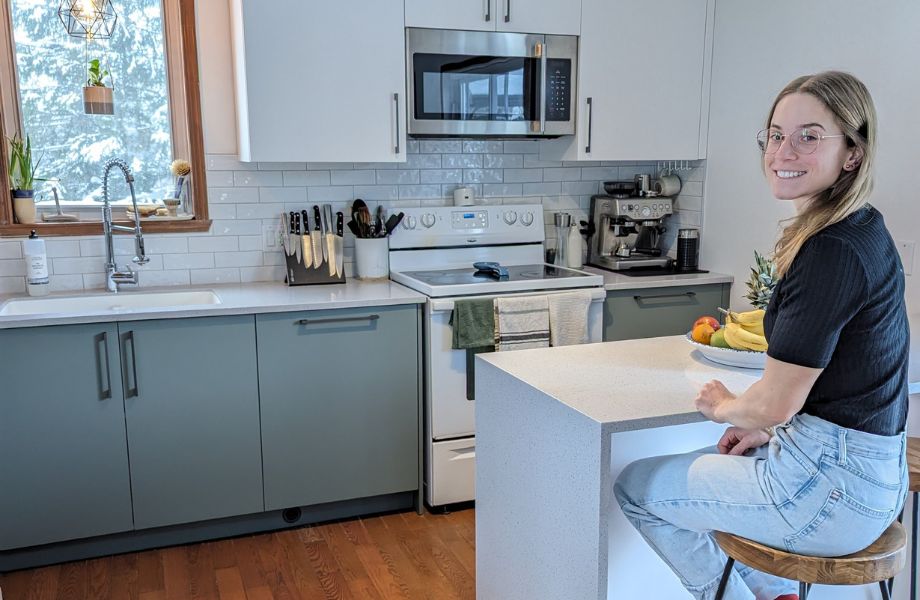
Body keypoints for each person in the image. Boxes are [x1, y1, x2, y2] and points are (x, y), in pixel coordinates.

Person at [614, 70, 911, 600]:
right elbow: (843, 384)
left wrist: (728, 407)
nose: (783, 151)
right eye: (776, 134)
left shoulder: (830, 250)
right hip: (871, 484)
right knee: (729, 463)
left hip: (828, 496)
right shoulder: (863, 227)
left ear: (852, 153)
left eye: (809, 136)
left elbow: (774, 402)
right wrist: (766, 432)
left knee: (634, 487)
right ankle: (778, 595)